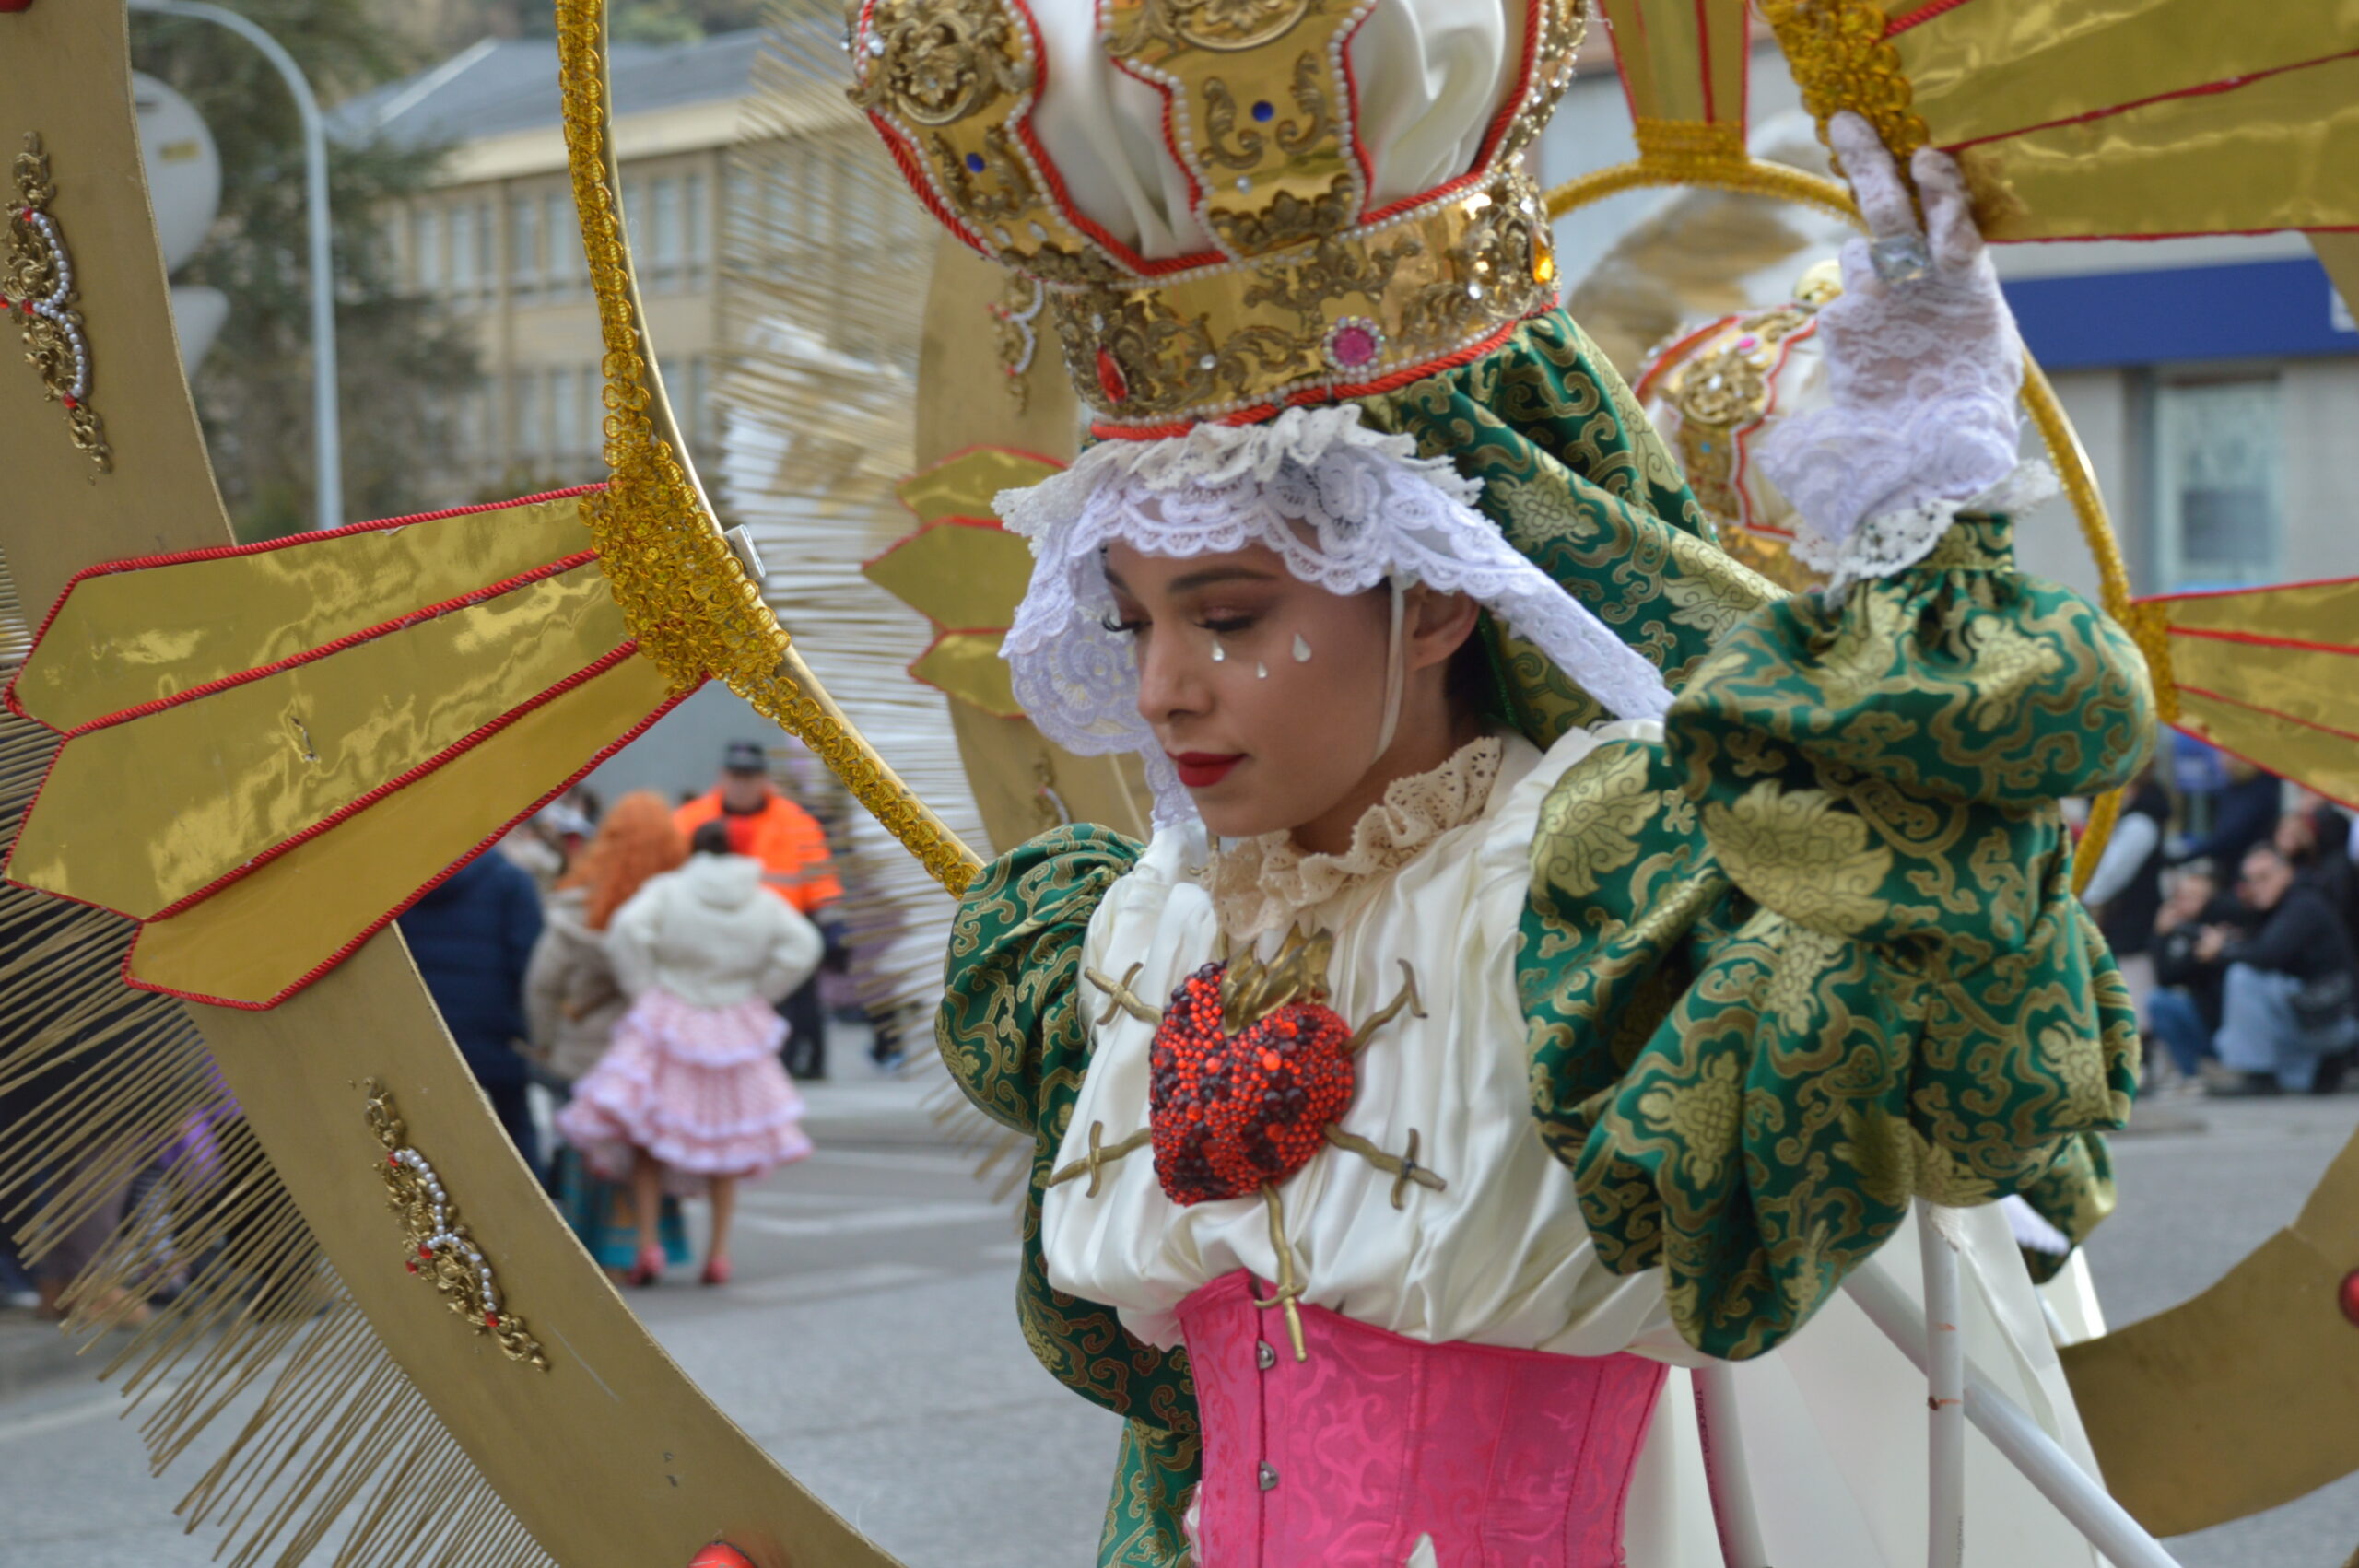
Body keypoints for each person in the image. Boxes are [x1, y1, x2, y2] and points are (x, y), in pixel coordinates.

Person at [869, 0, 2150, 1545]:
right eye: (1128, 618)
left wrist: (1921, 519)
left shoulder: (1605, 890)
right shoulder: (1135, 928)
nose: (1158, 688)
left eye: (1229, 617)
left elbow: (1940, 973)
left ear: (1435, 595)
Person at [557, 819, 820, 1286]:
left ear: (693, 850)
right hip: (733, 1021)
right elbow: (804, 945)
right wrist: (761, 989)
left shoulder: (669, 889)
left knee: (650, 1134)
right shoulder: (761, 899)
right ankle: (718, 1254)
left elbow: (627, 930)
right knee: (727, 1140)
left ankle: (647, 1245)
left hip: (672, 1014)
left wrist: (645, 984)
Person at [527, 791, 694, 1280]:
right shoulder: (678, 908)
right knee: (648, 1150)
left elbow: (542, 984)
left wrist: (543, 1042)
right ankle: (648, 1246)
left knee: (590, 1150)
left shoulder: (578, 907)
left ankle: (593, 1251)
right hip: (657, 1049)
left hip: (587, 1051)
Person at [675, 740, 843, 1080]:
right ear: (723, 775)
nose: (742, 783)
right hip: (712, 932)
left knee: (798, 1001)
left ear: (764, 778)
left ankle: (804, 1060)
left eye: (749, 775)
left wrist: (832, 925)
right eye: (736, 775)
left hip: (780, 932)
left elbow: (820, 877)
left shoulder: (795, 822)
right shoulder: (690, 818)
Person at [396, 849, 546, 1177]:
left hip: (422, 1034)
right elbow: (530, 967)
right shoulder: (511, 882)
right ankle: (529, 1213)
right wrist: (532, 1034)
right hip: (495, 1034)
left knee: (426, 1135)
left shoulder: (401, 882)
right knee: (515, 1126)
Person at [2201, 843, 2359, 1095]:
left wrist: (2223, 949)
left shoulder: (2303, 903)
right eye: (2251, 880)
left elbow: (2266, 955)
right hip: (2312, 1015)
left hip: (2333, 1021)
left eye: (2264, 877)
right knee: (2227, 1036)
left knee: (2243, 978)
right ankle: (2315, 1070)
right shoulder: (2275, 908)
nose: (2257, 886)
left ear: (2286, 872)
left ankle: (2259, 1074)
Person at [2083, 768, 2172, 1025]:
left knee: (2135, 1008)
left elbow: (2104, 880)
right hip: (2126, 924)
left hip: (2134, 928)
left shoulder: (2139, 824)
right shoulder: (2135, 821)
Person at [2149, 863, 2236, 1086]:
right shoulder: (2178, 932)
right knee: (2159, 1001)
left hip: (2225, 1021)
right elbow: (2166, 976)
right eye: (2181, 896)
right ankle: (2190, 1075)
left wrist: (2211, 951)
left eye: (2194, 896)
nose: (2185, 903)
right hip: (2200, 1014)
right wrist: (2160, 936)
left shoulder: (2223, 921)